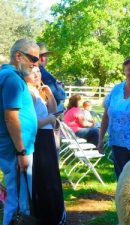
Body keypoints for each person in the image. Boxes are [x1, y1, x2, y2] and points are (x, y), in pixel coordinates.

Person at [0, 39, 39, 225]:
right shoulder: (12, 79)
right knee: (17, 201)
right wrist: (21, 152)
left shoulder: (8, 75)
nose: (35, 63)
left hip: (15, 148)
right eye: (32, 58)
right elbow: (11, 117)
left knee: (18, 197)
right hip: (15, 150)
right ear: (18, 56)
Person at [25, 67, 66, 225]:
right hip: (39, 140)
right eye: (33, 71)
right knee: (44, 179)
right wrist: (49, 119)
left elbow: (54, 112)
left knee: (51, 177)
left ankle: (55, 215)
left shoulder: (38, 91)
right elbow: (31, 123)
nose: (37, 75)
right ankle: (46, 216)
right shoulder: (27, 93)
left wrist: (49, 94)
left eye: (38, 72)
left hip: (47, 138)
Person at [37, 43, 66, 111]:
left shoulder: (29, 70)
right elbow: (60, 96)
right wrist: (60, 88)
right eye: (47, 56)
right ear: (42, 58)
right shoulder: (41, 72)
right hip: (46, 113)